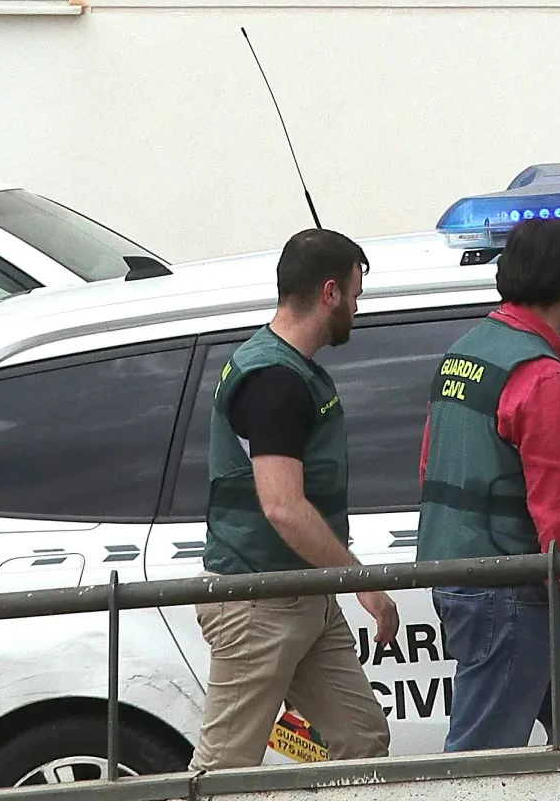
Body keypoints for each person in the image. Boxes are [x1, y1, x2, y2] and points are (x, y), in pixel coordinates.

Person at [189, 228, 397, 770]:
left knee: (362, 742)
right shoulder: (275, 380)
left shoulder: (285, 368)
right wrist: (365, 586)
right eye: (355, 293)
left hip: (301, 591)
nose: (358, 306)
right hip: (259, 599)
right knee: (224, 769)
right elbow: (282, 505)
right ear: (329, 293)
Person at [417, 218, 560, 751]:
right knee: (480, 763)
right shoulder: (543, 376)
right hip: (511, 593)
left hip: (477, 579)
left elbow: (431, 467)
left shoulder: (465, 353)